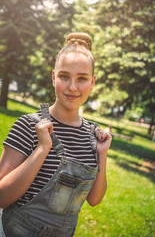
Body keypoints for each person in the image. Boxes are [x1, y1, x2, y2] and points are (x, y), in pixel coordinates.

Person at [0, 32, 112, 237]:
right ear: (53, 77)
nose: (72, 87)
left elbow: (94, 200)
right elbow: (1, 197)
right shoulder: (28, 125)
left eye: (82, 79)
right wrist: (42, 149)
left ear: (93, 81)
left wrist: (102, 155)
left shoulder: (93, 136)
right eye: (64, 76)